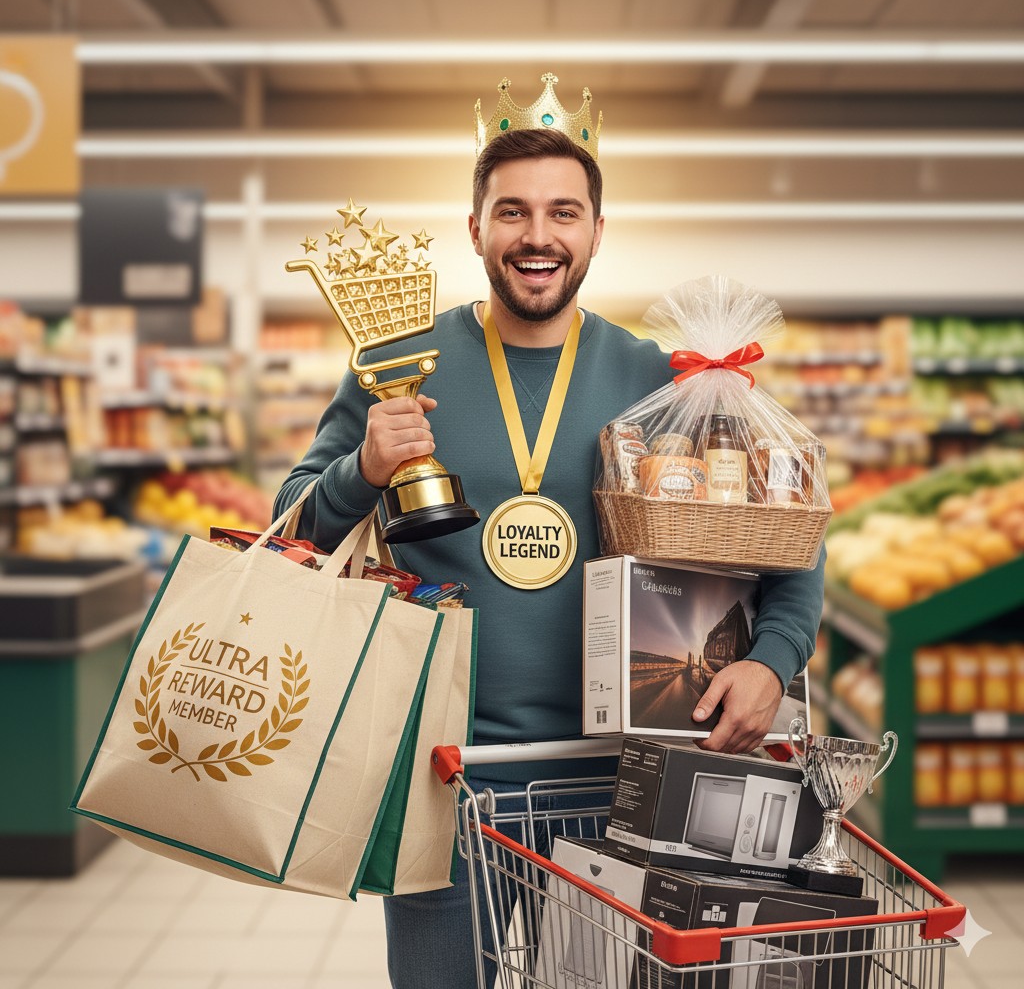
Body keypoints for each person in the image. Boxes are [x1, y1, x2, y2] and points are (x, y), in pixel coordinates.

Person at [274, 78, 824, 988]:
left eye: (563, 212)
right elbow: (286, 530)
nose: (538, 236)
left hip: (630, 779)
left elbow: (789, 544)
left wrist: (771, 659)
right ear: (475, 227)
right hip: (443, 779)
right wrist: (361, 470)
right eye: (513, 212)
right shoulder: (394, 361)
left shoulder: (667, 382)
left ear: (597, 232)